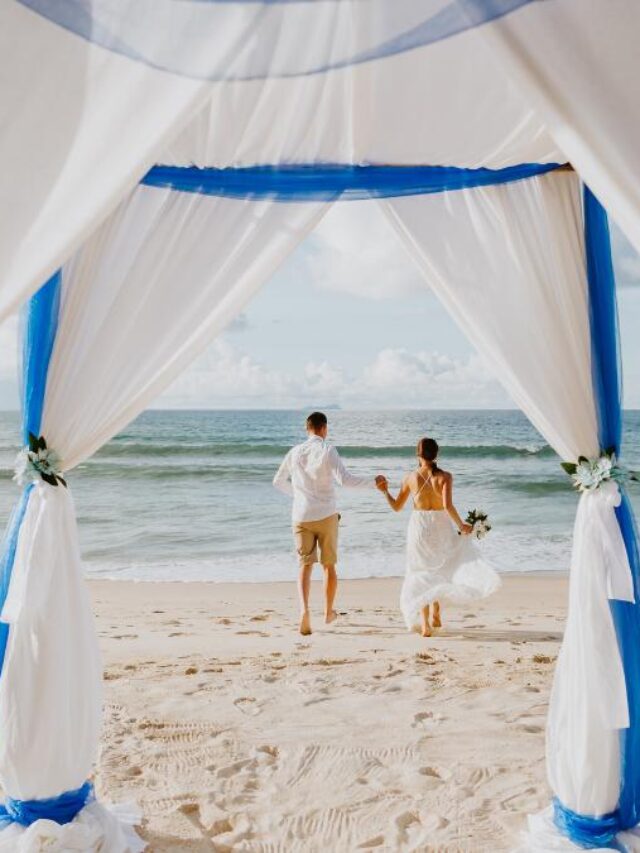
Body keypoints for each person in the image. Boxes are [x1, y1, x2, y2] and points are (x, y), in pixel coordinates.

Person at [274, 411, 387, 636]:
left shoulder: (294, 451)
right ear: (324, 428)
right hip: (326, 514)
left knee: (305, 565)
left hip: (301, 515)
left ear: (307, 429)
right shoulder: (327, 449)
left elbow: (278, 481)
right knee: (328, 565)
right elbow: (345, 480)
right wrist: (373, 482)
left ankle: (304, 611)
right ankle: (327, 613)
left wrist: (298, 497)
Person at [377, 437, 500, 637]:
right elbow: (447, 506)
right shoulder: (445, 477)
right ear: (437, 454)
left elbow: (397, 507)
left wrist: (385, 492)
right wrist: (461, 525)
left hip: (419, 527)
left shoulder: (409, 478)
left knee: (422, 571)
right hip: (440, 525)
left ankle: (425, 623)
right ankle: (436, 612)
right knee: (440, 566)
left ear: (417, 454)